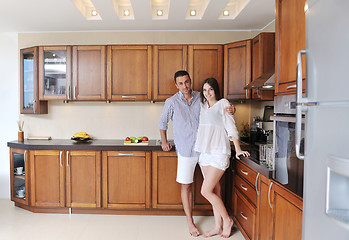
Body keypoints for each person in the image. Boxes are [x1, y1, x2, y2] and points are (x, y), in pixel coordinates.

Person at [159, 70, 235, 237]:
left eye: (187, 82)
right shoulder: (171, 102)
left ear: (190, 81)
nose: (185, 86)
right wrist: (164, 142)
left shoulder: (202, 96)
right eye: (180, 83)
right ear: (176, 85)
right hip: (185, 150)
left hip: (204, 149)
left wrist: (230, 108)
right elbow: (162, 123)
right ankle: (190, 222)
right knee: (186, 186)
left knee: (215, 187)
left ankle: (219, 225)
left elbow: (218, 106)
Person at [194, 78, 250, 238]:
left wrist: (238, 149)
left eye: (210, 89)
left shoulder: (224, 103)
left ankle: (227, 220)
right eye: (204, 90)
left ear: (216, 90)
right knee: (215, 190)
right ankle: (217, 226)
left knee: (205, 191)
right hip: (205, 153)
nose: (207, 93)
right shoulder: (202, 106)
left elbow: (231, 127)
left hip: (219, 152)